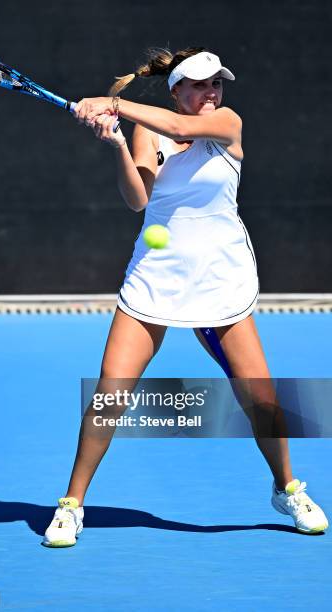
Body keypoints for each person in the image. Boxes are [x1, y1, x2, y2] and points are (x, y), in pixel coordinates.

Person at [42, 46, 328, 547]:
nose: (210, 93)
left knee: (261, 397)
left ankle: (286, 488)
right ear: (176, 91)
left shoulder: (227, 124)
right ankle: (71, 504)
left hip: (221, 279)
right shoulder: (148, 127)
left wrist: (111, 102)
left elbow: (180, 132)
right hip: (157, 276)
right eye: (198, 86)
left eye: (216, 83)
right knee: (112, 392)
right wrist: (117, 145)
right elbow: (139, 199)